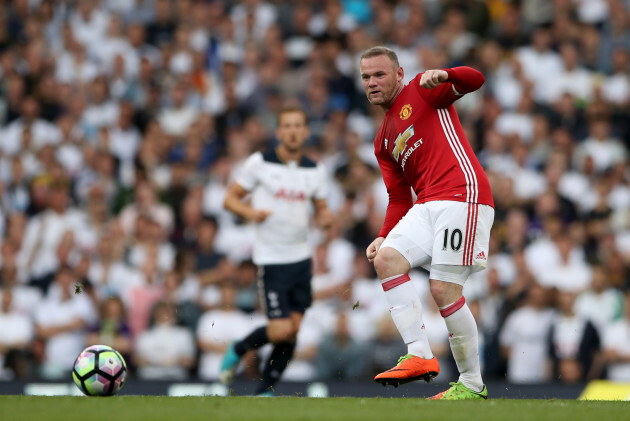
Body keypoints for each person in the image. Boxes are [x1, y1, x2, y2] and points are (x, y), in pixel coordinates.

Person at [359, 46, 494, 400]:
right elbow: (399, 197)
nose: (372, 83)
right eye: (366, 77)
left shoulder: (422, 88)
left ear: (399, 74)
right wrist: (383, 234)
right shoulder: (382, 139)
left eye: (379, 75)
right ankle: (419, 354)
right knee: (386, 258)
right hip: (427, 203)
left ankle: (471, 383)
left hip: (462, 195)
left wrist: (448, 75)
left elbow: (476, 79)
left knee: (443, 290)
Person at [219, 105, 335, 396]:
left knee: (293, 330)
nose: (293, 131)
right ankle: (239, 348)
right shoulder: (260, 162)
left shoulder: (315, 170)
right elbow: (230, 199)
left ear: (306, 132)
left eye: (298, 126)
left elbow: (321, 209)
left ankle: (265, 389)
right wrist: (251, 212)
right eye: (287, 126)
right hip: (272, 259)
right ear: (278, 132)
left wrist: (325, 217)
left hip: (300, 259)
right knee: (281, 329)